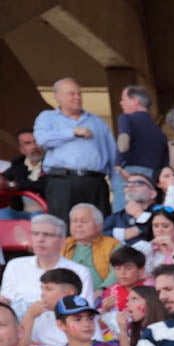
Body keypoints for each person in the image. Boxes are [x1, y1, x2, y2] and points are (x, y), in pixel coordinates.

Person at [33, 78, 115, 218]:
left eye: (79, 94)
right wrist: (73, 132)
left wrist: (117, 187)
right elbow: (42, 139)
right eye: (71, 94)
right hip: (62, 181)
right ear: (57, 96)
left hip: (95, 182)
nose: (77, 97)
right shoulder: (48, 117)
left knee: (98, 226)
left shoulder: (97, 122)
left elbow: (112, 155)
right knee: (63, 227)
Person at [1, 215, 96, 318]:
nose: (40, 239)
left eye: (47, 235)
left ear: (62, 242)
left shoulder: (79, 272)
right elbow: (5, 303)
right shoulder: (15, 265)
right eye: (35, 234)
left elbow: (85, 314)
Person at [63, 205, 119, 291]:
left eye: (84, 221)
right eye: (74, 221)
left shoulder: (112, 245)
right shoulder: (63, 244)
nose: (78, 225)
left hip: (101, 298)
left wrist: (102, 291)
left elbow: (117, 272)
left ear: (99, 226)